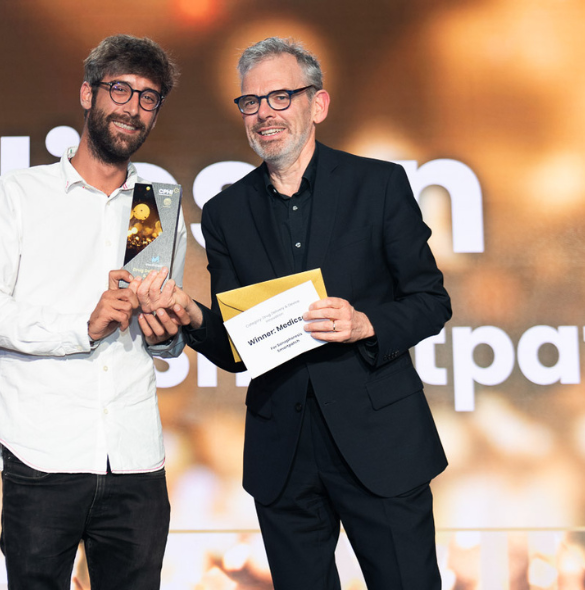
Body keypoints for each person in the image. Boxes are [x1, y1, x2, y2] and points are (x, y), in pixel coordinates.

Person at [152, 37, 451, 589]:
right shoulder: (225, 212)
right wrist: (191, 315)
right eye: (251, 102)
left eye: (281, 97)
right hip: (283, 457)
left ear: (318, 104)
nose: (264, 113)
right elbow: (239, 347)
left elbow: (431, 301)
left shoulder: (378, 185)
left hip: (380, 442)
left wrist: (366, 324)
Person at [0, 35, 185, 590]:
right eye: (120, 90)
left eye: (148, 97)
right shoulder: (22, 194)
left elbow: (163, 340)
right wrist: (80, 327)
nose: (132, 108)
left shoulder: (155, 201)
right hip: (42, 454)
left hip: (133, 458)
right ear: (87, 94)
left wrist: (166, 332)